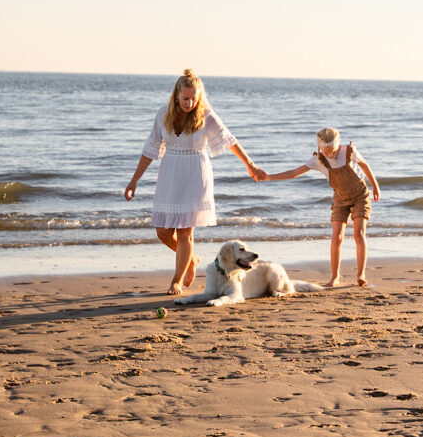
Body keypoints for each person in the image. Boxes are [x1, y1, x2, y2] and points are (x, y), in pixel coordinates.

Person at [124, 69, 265, 295]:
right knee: (162, 231)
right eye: (185, 98)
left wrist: (250, 164)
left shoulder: (205, 115)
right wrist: (134, 180)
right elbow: (150, 149)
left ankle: (176, 281)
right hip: (170, 175)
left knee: (184, 233)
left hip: (195, 176)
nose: (190, 102)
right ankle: (190, 259)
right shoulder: (162, 114)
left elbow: (229, 140)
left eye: (194, 98)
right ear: (176, 96)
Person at [260, 128, 381, 286]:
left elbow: (364, 165)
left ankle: (361, 275)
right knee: (337, 236)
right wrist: (268, 177)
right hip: (340, 198)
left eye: (332, 151)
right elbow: (294, 173)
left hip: (360, 195)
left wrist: (375, 186)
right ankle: (335, 277)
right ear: (320, 147)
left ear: (338, 145)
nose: (330, 155)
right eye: (326, 151)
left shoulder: (349, 151)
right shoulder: (318, 160)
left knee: (359, 234)